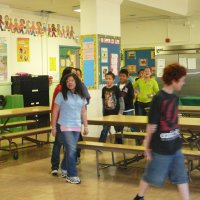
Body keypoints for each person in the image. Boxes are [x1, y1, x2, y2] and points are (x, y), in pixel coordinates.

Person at [133, 63, 189, 200]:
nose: (183, 83)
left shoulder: (175, 99)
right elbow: (151, 125)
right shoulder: (158, 98)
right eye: (182, 80)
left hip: (175, 147)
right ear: (174, 80)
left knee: (181, 177)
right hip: (160, 148)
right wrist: (146, 146)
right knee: (151, 176)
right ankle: (139, 197)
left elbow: (174, 122)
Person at [52, 73, 88, 184]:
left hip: (76, 126)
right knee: (72, 150)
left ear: (76, 82)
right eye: (67, 81)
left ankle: (64, 167)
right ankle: (72, 175)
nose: (70, 83)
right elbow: (55, 111)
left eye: (72, 80)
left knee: (70, 150)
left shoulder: (81, 95)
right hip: (65, 125)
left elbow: (83, 111)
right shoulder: (61, 95)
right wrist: (53, 127)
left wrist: (85, 125)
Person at [50, 67, 76, 176]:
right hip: (61, 120)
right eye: (72, 75)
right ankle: (55, 166)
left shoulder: (74, 89)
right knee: (58, 143)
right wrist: (53, 124)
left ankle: (65, 166)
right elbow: (55, 107)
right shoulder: (59, 88)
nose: (74, 78)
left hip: (70, 121)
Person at [99, 71, 124, 143]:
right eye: (106, 79)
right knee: (104, 130)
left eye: (110, 79)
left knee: (118, 130)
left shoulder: (116, 88)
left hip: (116, 114)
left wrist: (120, 112)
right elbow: (103, 101)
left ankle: (119, 145)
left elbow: (121, 101)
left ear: (113, 80)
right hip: (107, 114)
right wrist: (103, 113)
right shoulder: (104, 89)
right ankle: (100, 145)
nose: (108, 80)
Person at [75, 67, 91, 164]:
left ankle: (77, 154)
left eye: (78, 74)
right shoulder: (69, 87)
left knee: (78, 133)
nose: (76, 76)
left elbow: (87, 98)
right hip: (71, 116)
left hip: (80, 112)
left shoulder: (82, 85)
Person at [116, 68, 134, 144]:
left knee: (132, 125)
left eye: (123, 76)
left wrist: (123, 101)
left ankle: (139, 140)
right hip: (120, 110)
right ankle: (119, 140)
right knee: (119, 125)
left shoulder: (129, 85)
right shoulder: (117, 85)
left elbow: (131, 96)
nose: (122, 77)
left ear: (127, 77)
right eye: (120, 76)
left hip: (128, 109)